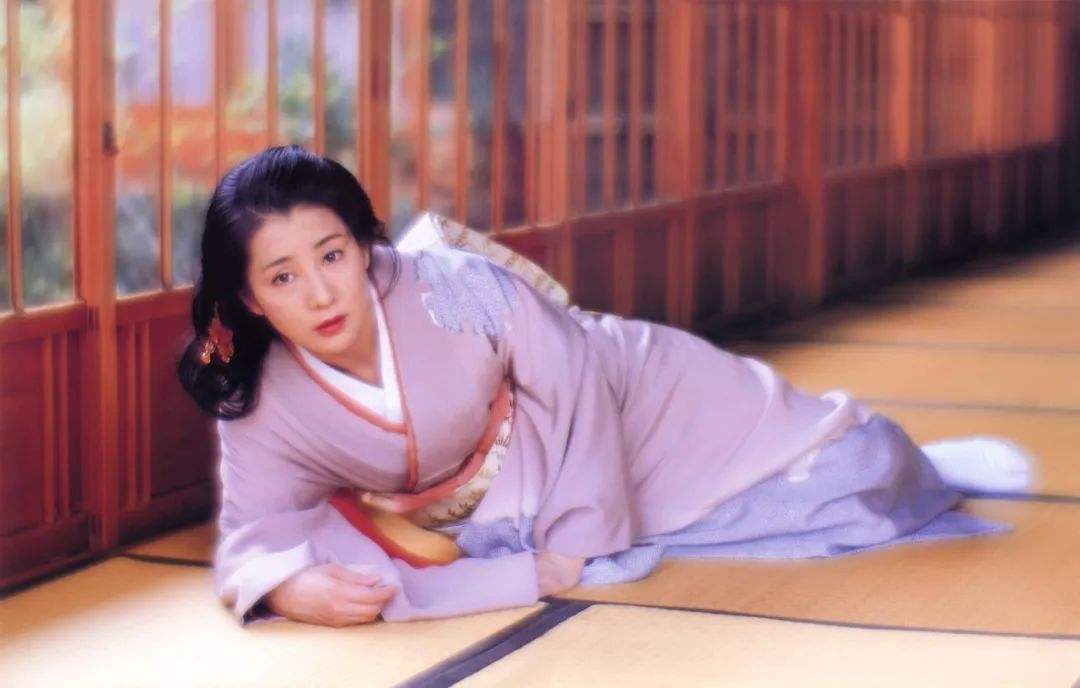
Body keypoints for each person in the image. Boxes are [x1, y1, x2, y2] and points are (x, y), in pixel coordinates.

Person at [177, 145, 1031, 628]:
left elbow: (575, 376)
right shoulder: (260, 398)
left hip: (632, 396)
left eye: (332, 255)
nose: (320, 293)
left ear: (365, 245)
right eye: (282, 277)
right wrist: (285, 587)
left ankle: (921, 462)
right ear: (248, 298)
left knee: (850, 473)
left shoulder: (451, 287)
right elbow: (258, 529)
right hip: (500, 492)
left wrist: (573, 543)